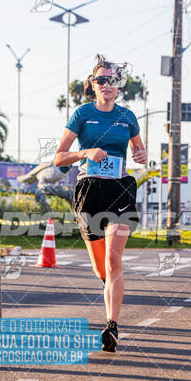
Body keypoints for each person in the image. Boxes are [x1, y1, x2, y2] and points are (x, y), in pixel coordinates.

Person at [54, 54, 147, 352]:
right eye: (101, 80)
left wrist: (141, 156)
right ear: (92, 85)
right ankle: (108, 287)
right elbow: (58, 159)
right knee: (101, 269)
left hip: (120, 189)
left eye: (112, 80)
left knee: (113, 259)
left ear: (118, 86)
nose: (107, 84)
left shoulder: (128, 117)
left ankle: (112, 327)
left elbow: (139, 150)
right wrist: (86, 152)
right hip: (89, 191)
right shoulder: (82, 115)